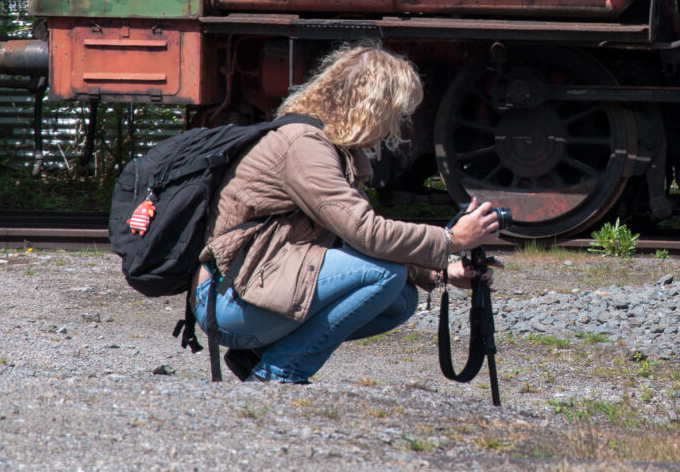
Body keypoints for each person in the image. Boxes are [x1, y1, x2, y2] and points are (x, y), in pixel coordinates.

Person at [194, 42, 499, 383]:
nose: (395, 126)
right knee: (384, 276)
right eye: (394, 113)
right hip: (227, 300)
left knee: (400, 298)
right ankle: (276, 375)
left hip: (254, 287)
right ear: (371, 107)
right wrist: (450, 240)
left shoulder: (335, 150)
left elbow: (354, 238)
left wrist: (441, 273)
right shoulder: (304, 145)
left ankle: (260, 358)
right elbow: (365, 232)